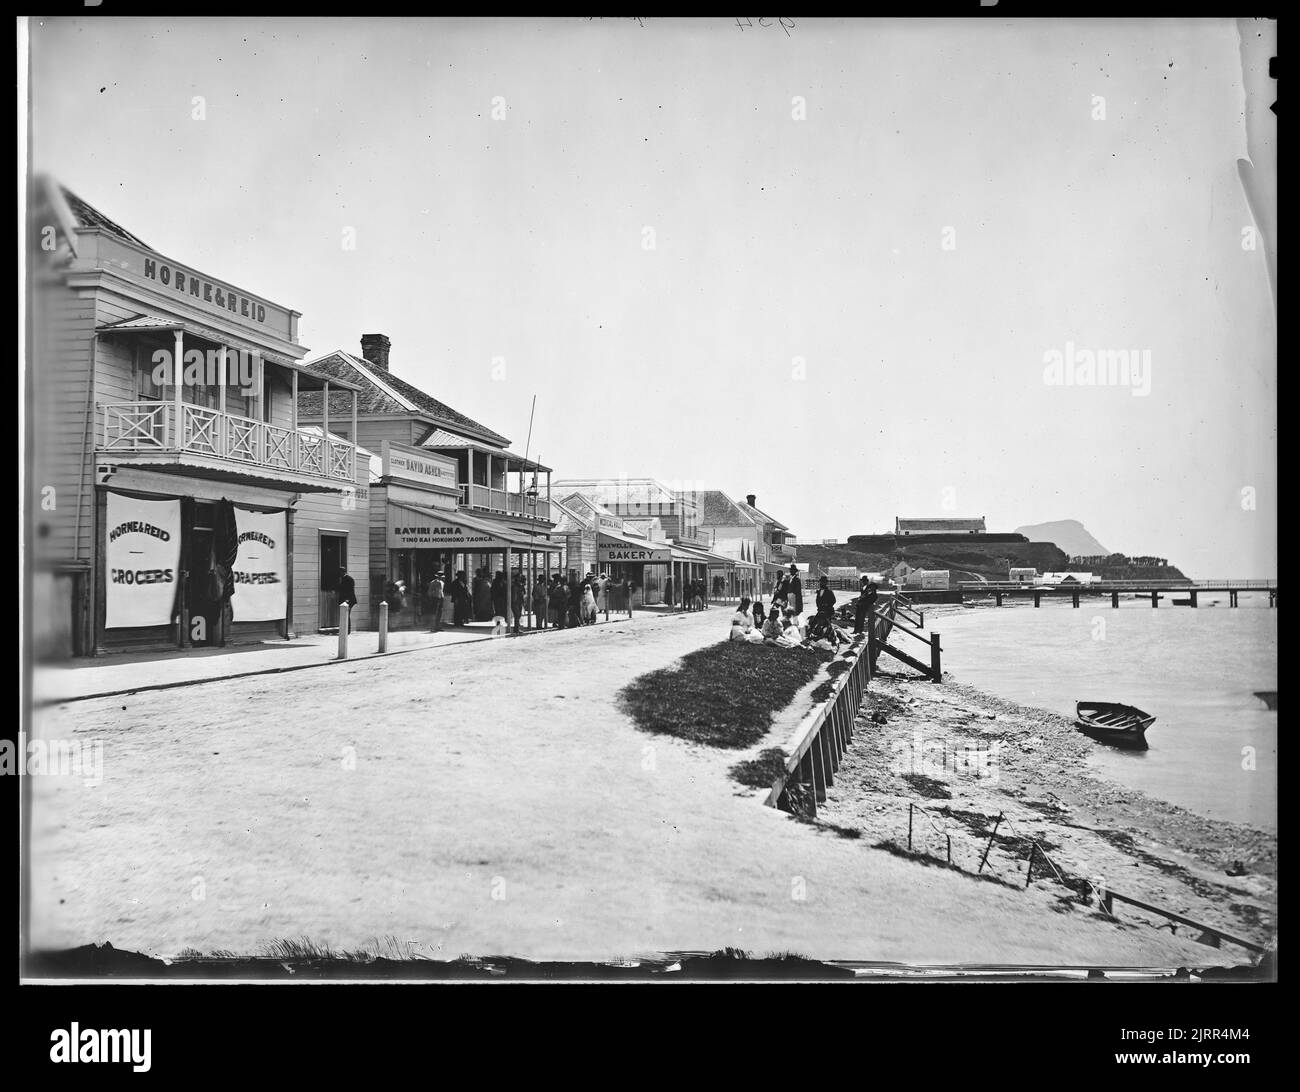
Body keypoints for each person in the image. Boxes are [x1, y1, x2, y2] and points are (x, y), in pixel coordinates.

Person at [338, 566, 358, 633]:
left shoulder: (349, 579)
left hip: (349, 600)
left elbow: (350, 590)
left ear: (344, 572)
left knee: (347, 614)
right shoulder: (343, 579)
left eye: (340, 572)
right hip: (345, 600)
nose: (339, 574)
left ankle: (347, 630)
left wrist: (347, 599)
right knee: (345, 614)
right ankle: (345, 630)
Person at [491, 571, 509, 636]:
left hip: (503, 598)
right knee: (498, 611)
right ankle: (498, 623)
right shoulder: (495, 582)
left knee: (503, 610)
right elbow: (493, 590)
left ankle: (503, 622)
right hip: (497, 598)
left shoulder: (503, 582)